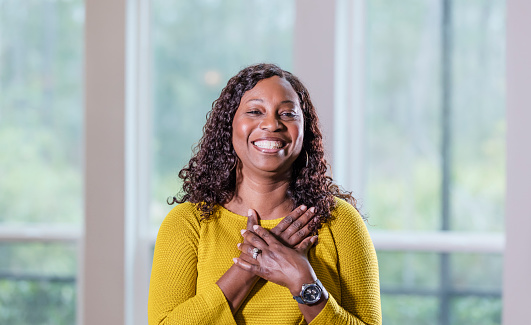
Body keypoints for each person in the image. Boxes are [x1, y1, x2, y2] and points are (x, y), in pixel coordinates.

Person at [148, 63, 381, 324]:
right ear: (229, 125)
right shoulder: (187, 223)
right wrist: (247, 266)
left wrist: (303, 282)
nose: (271, 124)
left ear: (304, 131)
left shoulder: (340, 222)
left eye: (288, 114)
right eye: (255, 111)